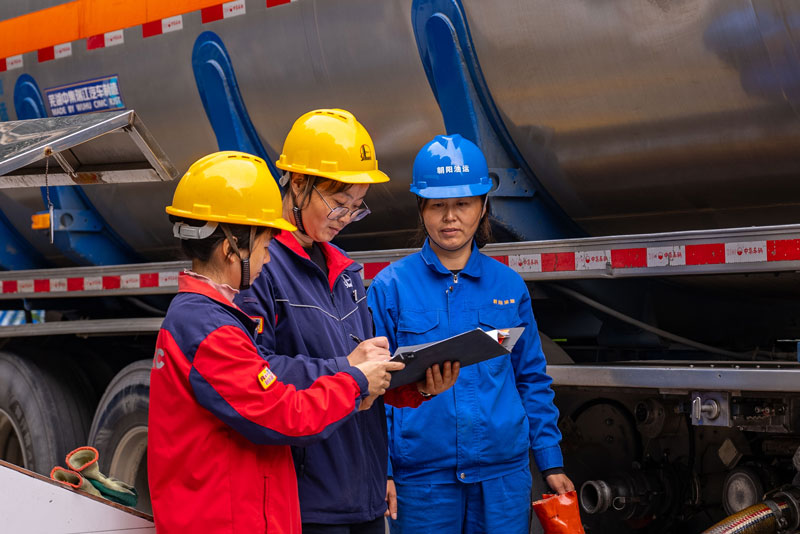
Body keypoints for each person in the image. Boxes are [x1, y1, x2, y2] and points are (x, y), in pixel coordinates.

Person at [147, 151, 404, 534]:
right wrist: (353, 380)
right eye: (266, 244)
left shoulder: (208, 318)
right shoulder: (207, 328)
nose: (270, 258)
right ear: (231, 247)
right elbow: (282, 415)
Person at [236, 109, 459, 533]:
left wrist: (413, 385)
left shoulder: (348, 275)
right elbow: (253, 374)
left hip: (364, 492)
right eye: (338, 203)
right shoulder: (260, 269)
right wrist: (347, 369)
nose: (345, 217)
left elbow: (364, 379)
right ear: (297, 184)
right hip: (308, 500)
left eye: (356, 208)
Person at [367, 134, 575, 534]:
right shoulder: (391, 287)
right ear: (421, 209)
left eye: (462, 204)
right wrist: (384, 471)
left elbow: (531, 378)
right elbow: (374, 391)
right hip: (423, 482)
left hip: (501, 479)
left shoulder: (508, 286)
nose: (450, 218)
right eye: (438, 205)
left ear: (482, 207)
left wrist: (550, 460)